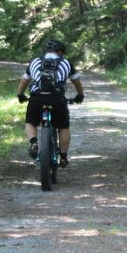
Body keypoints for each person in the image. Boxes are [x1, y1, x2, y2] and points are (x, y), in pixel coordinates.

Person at [16, 39, 85, 168]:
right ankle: (63, 157)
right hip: (57, 99)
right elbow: (77, 83)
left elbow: (24, 81)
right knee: (64, 126)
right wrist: (80, 95)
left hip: (37, 98)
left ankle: (34, 142)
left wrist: (20, 94)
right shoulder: (66, 63)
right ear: (59, 52)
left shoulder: (35, 61)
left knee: (30, 122)